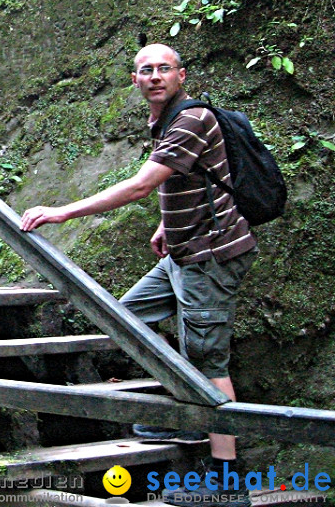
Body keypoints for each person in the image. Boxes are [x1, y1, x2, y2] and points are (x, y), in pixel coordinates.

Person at [20, 43, 256, 507]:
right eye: (145, 70)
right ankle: (184, 415)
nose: (154, 76)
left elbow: (143, 183)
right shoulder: (165, 119)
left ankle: (228, 481)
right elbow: (196, 175)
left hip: (210, 258)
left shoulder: (191, 119)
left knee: (209, 361)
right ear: (135, 80)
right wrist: (167, 223)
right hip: (183, 254)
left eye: (163, 69)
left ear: (181, 75)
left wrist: (62, 213)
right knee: (126, 318)